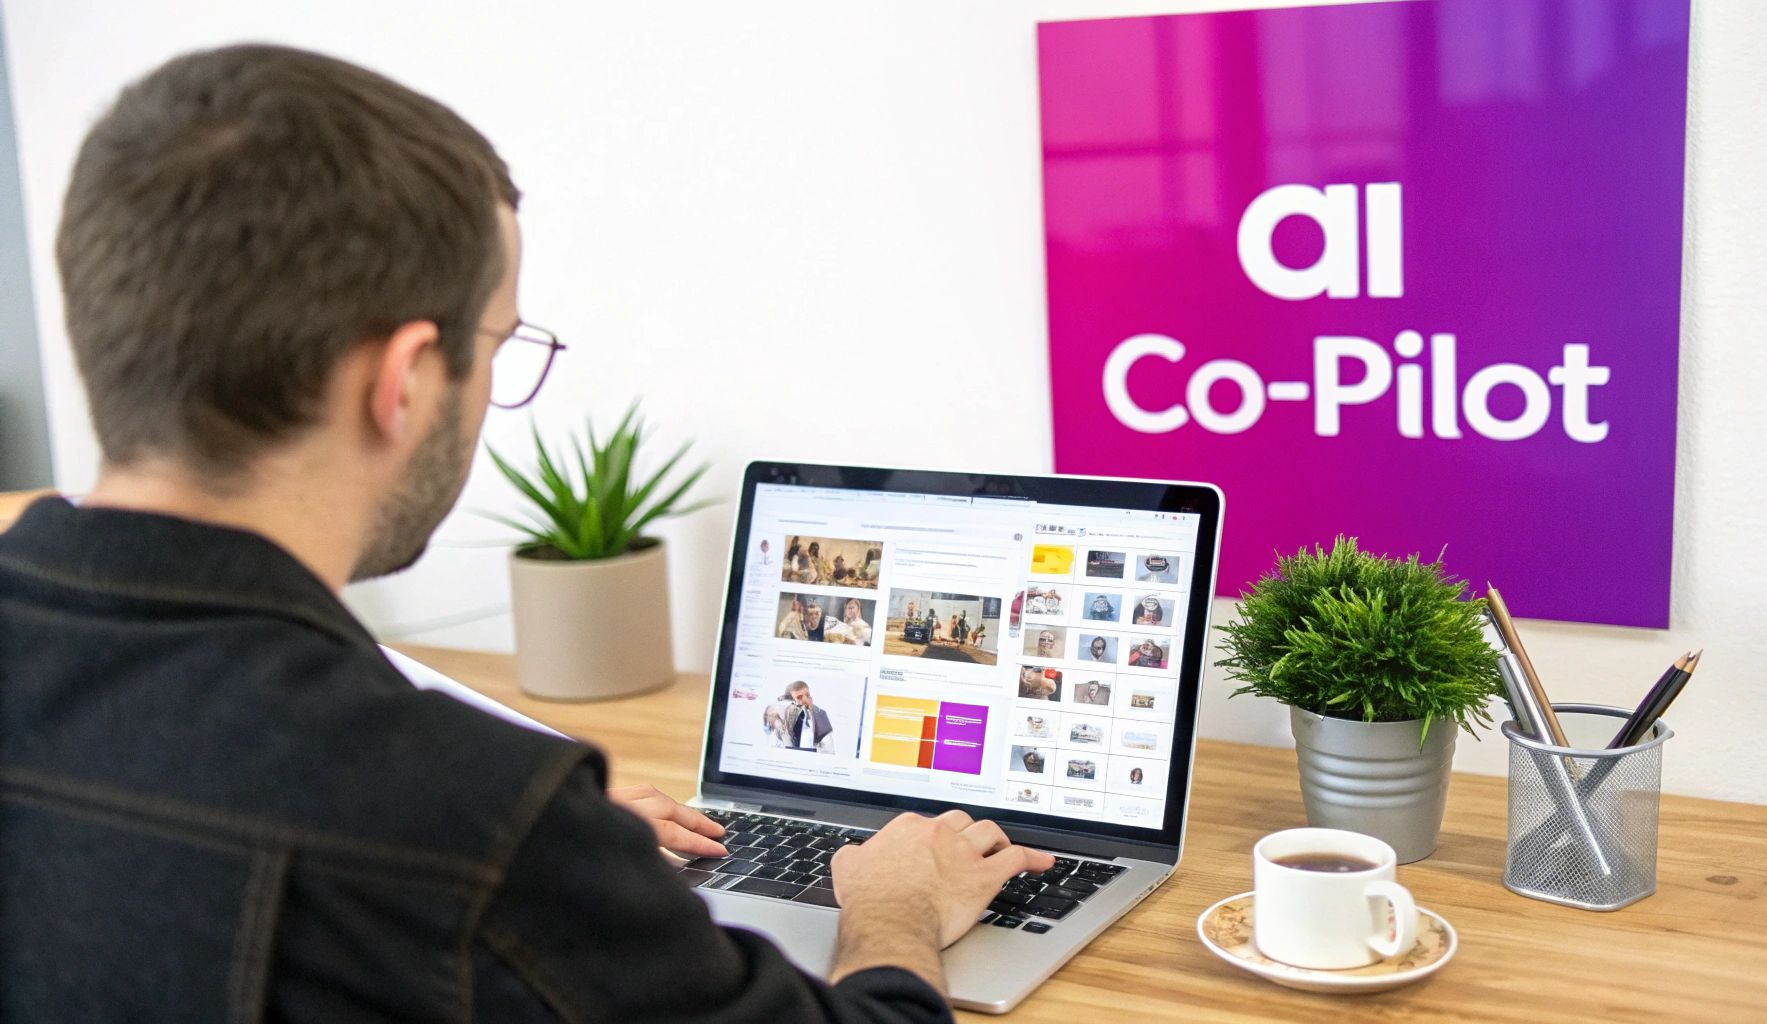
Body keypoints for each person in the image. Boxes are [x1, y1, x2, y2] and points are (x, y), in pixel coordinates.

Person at [0, 44, 1050, 1021]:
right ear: (405, 379)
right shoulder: (464, 817)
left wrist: (567, 870)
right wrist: (894, 906)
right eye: (500, 342)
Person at [781, 681, 835, 751]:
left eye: (807, 695)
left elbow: (828, 746)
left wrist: (811, 714)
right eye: (799, 697)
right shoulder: (789, 713)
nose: (805, 699)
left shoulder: (821, 714)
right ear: (792, 701)